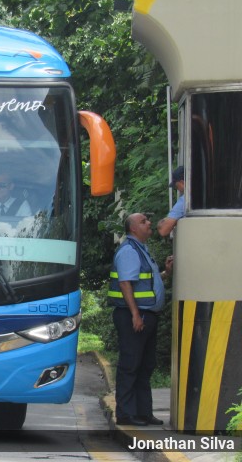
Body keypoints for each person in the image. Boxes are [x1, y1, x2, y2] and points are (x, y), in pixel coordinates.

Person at [108, 213, 173, 426]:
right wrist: (135, 314)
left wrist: (165, 273)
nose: (149, 224)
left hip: (145, 314)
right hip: (134, 316)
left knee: (145, 365)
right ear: (134, 229)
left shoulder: (142, 250)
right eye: (144, 221)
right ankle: (126, 414)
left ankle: (144, 412)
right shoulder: (129, 251)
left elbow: (146, 282)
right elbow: (126, 284)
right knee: (131, 364)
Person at [157, 166, 185, 237]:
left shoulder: (186, 200)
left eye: (176, 186)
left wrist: (161, 223)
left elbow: (163, 230)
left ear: (182, 182)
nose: (178, 189)